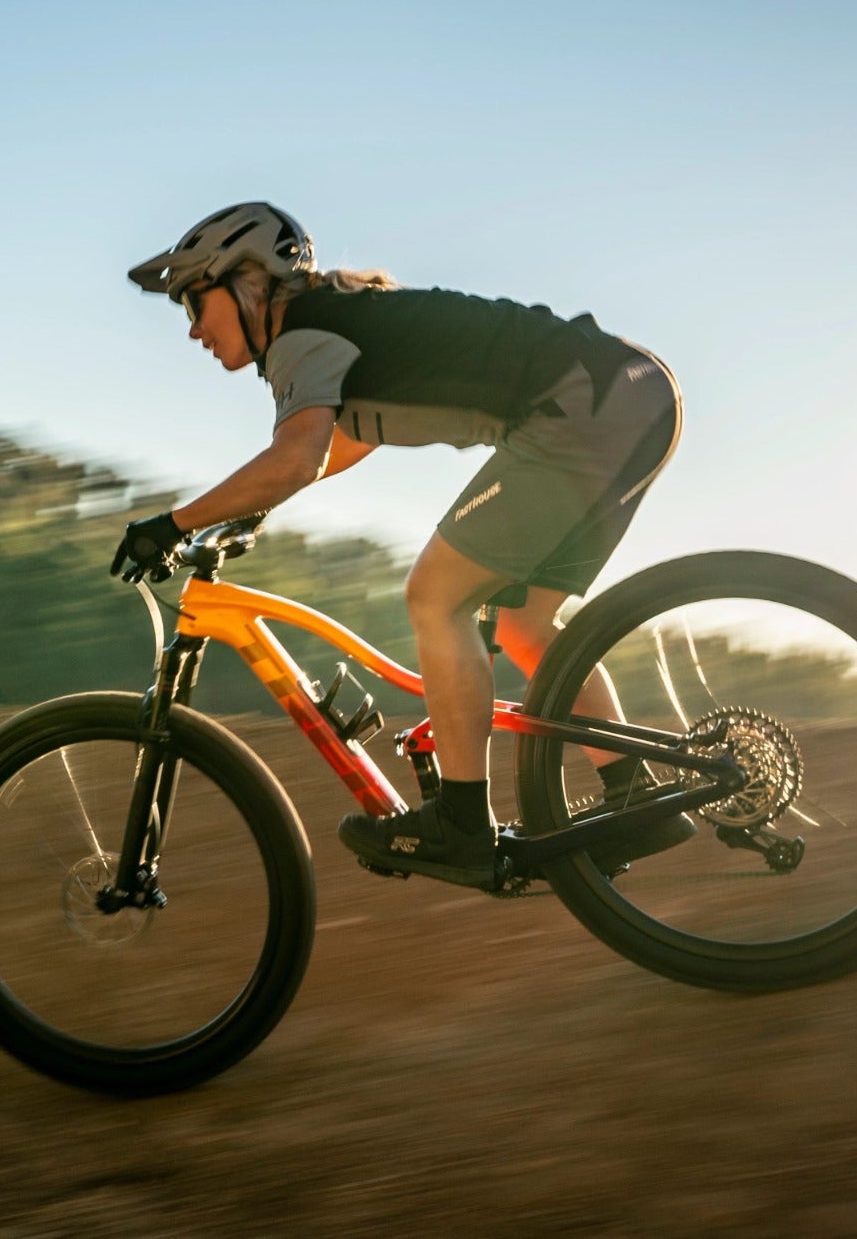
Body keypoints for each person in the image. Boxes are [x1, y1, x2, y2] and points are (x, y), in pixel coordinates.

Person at [115, 201, 692, 885]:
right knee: (523, 626)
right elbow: (340, 442)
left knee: (434, 595)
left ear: (249, 280)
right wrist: (251, 508)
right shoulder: (334, 324)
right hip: (631, 398)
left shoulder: (303, 332)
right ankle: (637, 796)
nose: (192, 332)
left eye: (194, 305)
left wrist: (173, 523)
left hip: (584, 410)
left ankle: (460, 822)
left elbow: (295, 457)